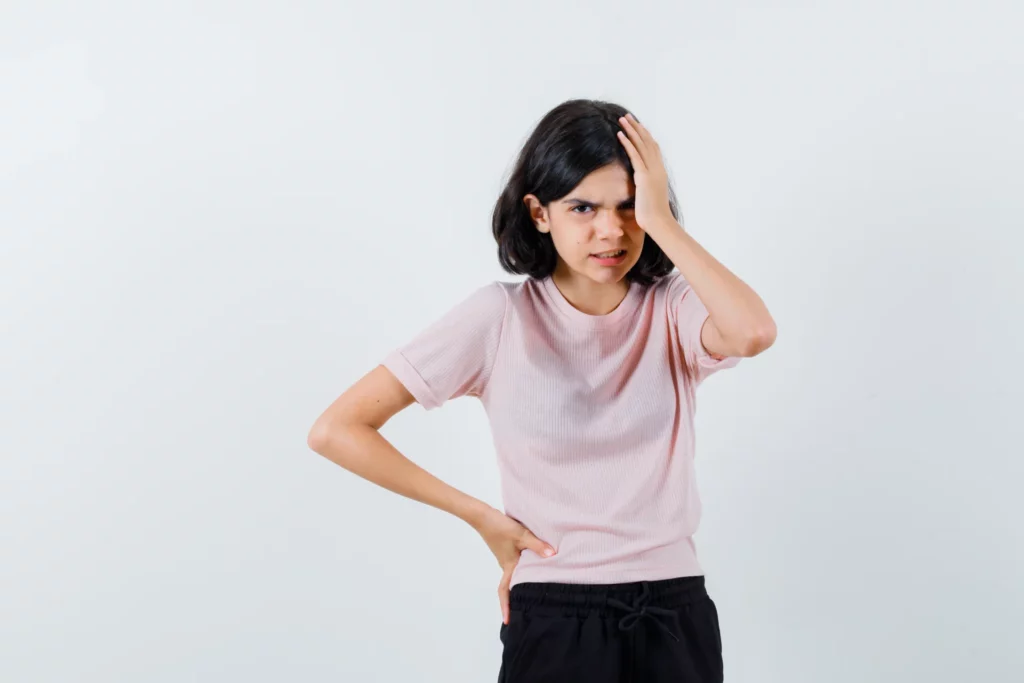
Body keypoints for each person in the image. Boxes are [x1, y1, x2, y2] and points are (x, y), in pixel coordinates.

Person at [307, 98, 777, 682]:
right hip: (555, 612)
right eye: (583, 207)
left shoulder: (674, 307)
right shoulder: (500, 317)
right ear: (539, 213)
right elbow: (336, 430)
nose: (612, 230)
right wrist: (482, 518)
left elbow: (754, 332)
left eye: (630, 207)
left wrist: (664, 225)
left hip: (673, 612)